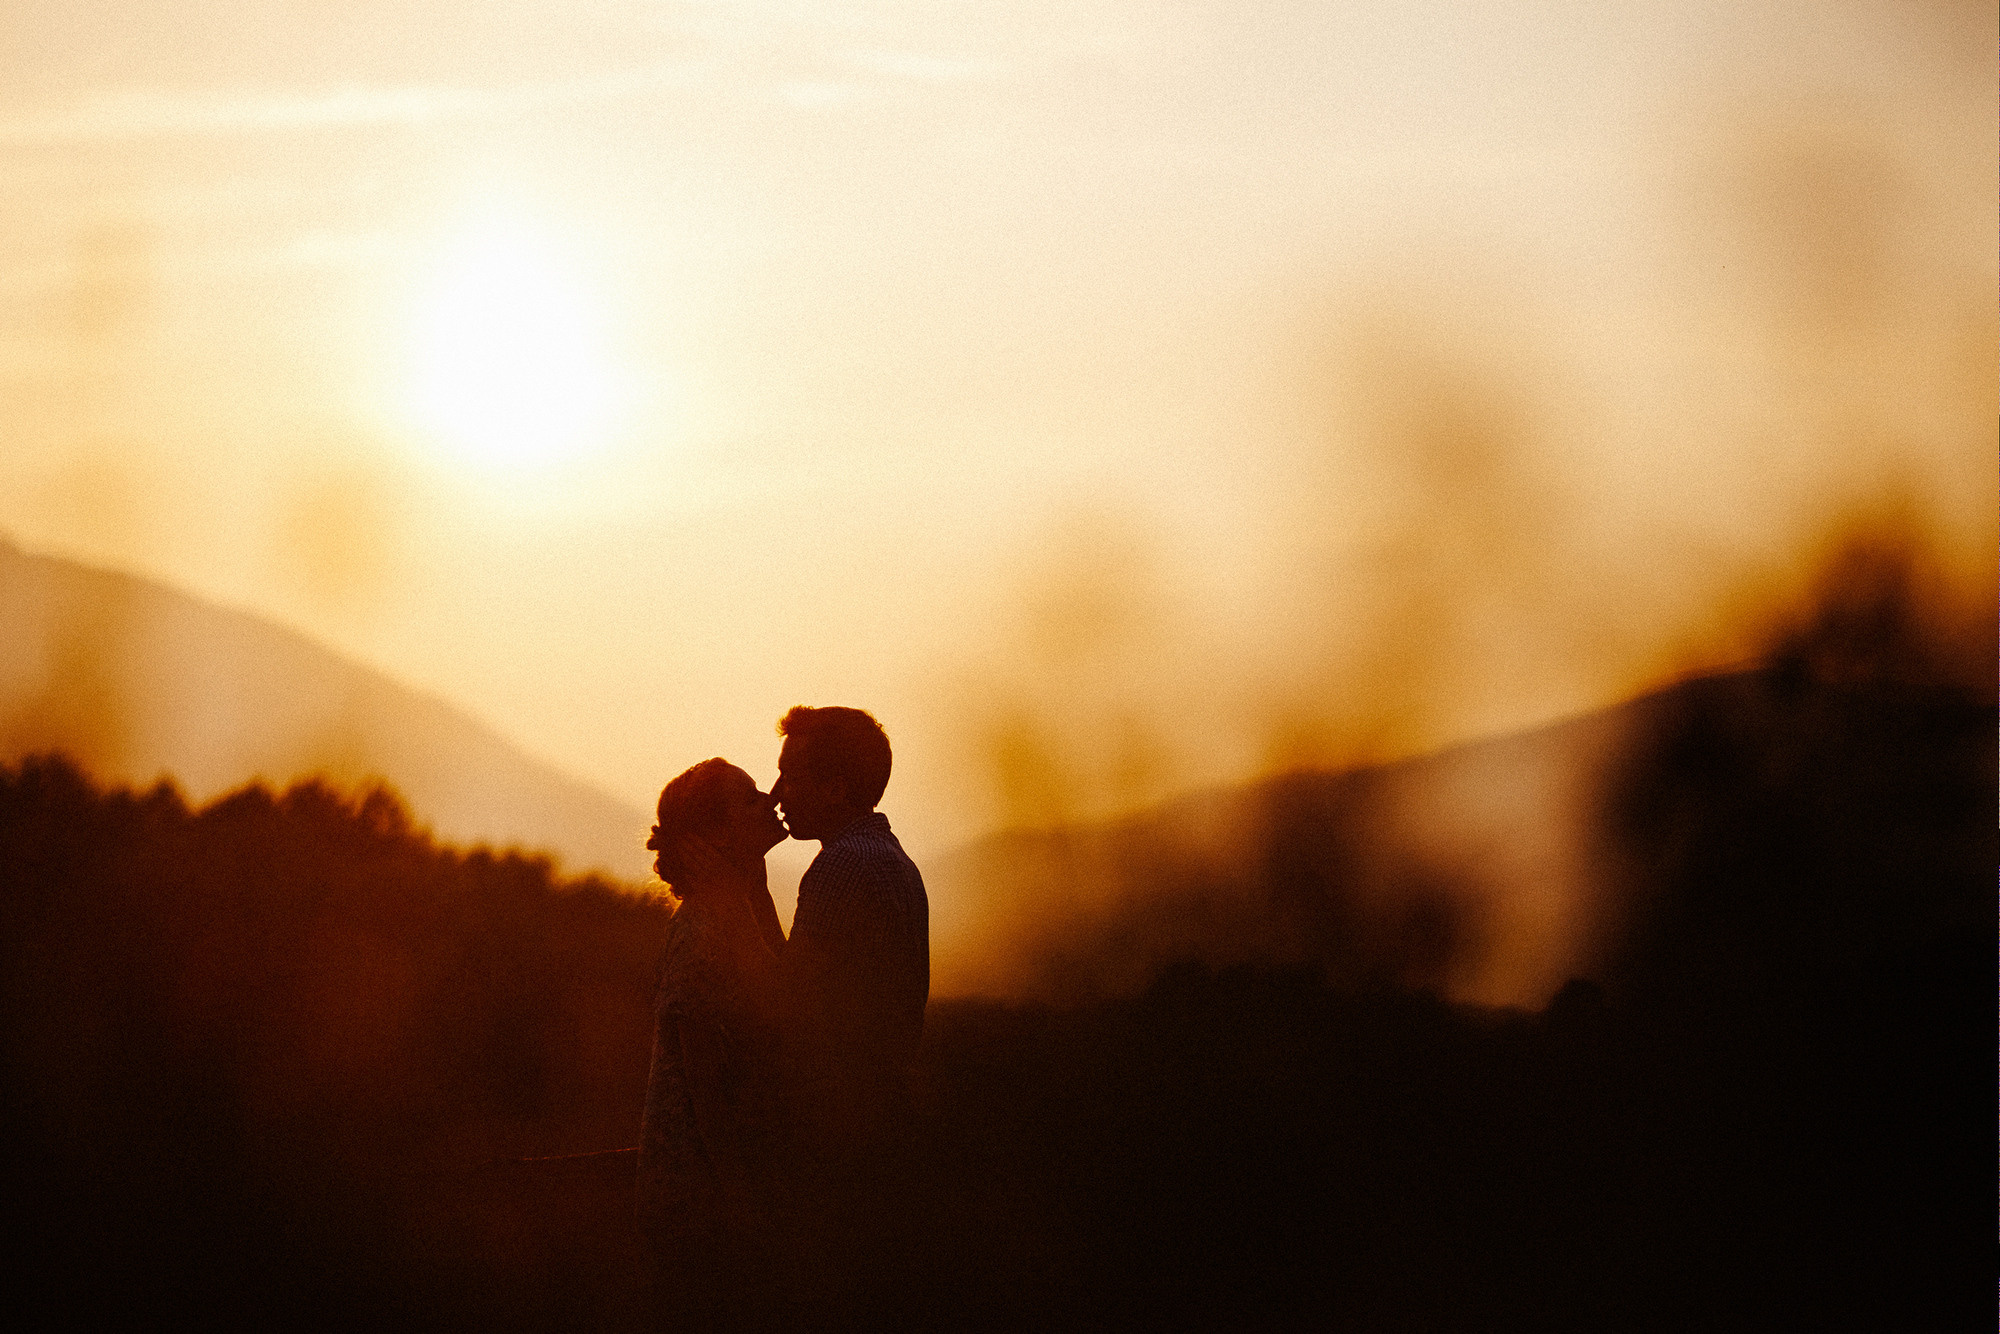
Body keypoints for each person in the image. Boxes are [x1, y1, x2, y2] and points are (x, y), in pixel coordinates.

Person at [769, 706, 930, 1314]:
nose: (777, 792)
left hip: (839, 1143)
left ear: (836, 789)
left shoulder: (839, 867)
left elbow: (786, 1010)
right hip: (885, 1133)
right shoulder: (895, 862)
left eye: (791, 775)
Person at [634, 757, 789, 1327]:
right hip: (704, 1201)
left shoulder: (735, 913)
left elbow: (782, 992)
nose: (769, 800)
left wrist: (754, 890)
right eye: (749, 798)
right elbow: (704, 1084)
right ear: (716, 834)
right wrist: (741, 1200)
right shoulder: (701, 928)